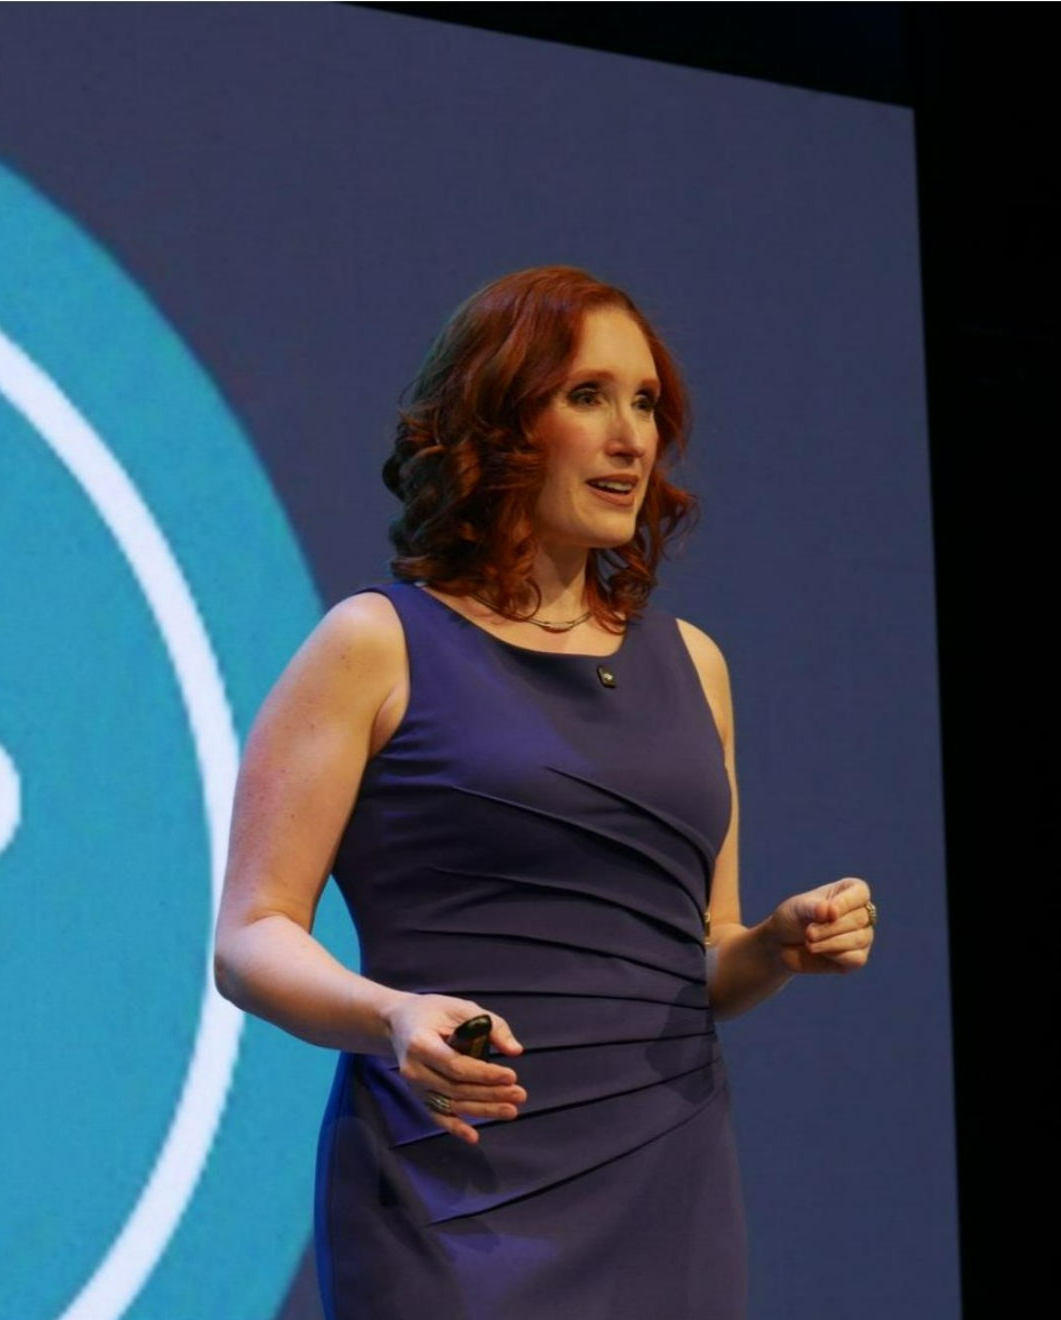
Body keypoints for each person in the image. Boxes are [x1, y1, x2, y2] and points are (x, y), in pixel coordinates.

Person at [212, 265, 876, 1320]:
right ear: (499, 422)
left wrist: (774, 946)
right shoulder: (372, 645)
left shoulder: (694, 665)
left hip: (669, 1183)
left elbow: (700, 959)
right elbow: (251, 938)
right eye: (587, 397)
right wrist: (392, 1016)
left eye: (645, 404)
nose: (629, 439)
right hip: (453, 1183)